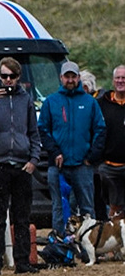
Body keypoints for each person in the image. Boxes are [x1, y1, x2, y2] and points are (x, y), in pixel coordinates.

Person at [0, 57, 42, 273]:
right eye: (4, 76)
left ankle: (22, 262)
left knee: (21, 216)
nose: (8, 80)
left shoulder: (26, 99)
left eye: (12, 76)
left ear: (18, 77)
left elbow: (34, 132)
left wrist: (33, 160)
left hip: (22, 165)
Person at [39, 60, 107, 235]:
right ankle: (60, 245)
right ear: (61, 78)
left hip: (82, 165)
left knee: (87, 208)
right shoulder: (51, 102)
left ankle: (88, 247)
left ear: (78, 78)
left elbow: (100, 129)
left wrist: (91, 157)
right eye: (67, 76)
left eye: (73, 76)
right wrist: (54, 152)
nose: (70, 80)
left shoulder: (90, 102)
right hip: (58, 166)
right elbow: (43, 129)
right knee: (59, 206)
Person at [97, 65, 125, 220]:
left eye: (124, 78)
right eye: (118, 78)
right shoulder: (102, 104)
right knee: (113, 210)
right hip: (108, 166)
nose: (121, 81)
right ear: (113, 81)